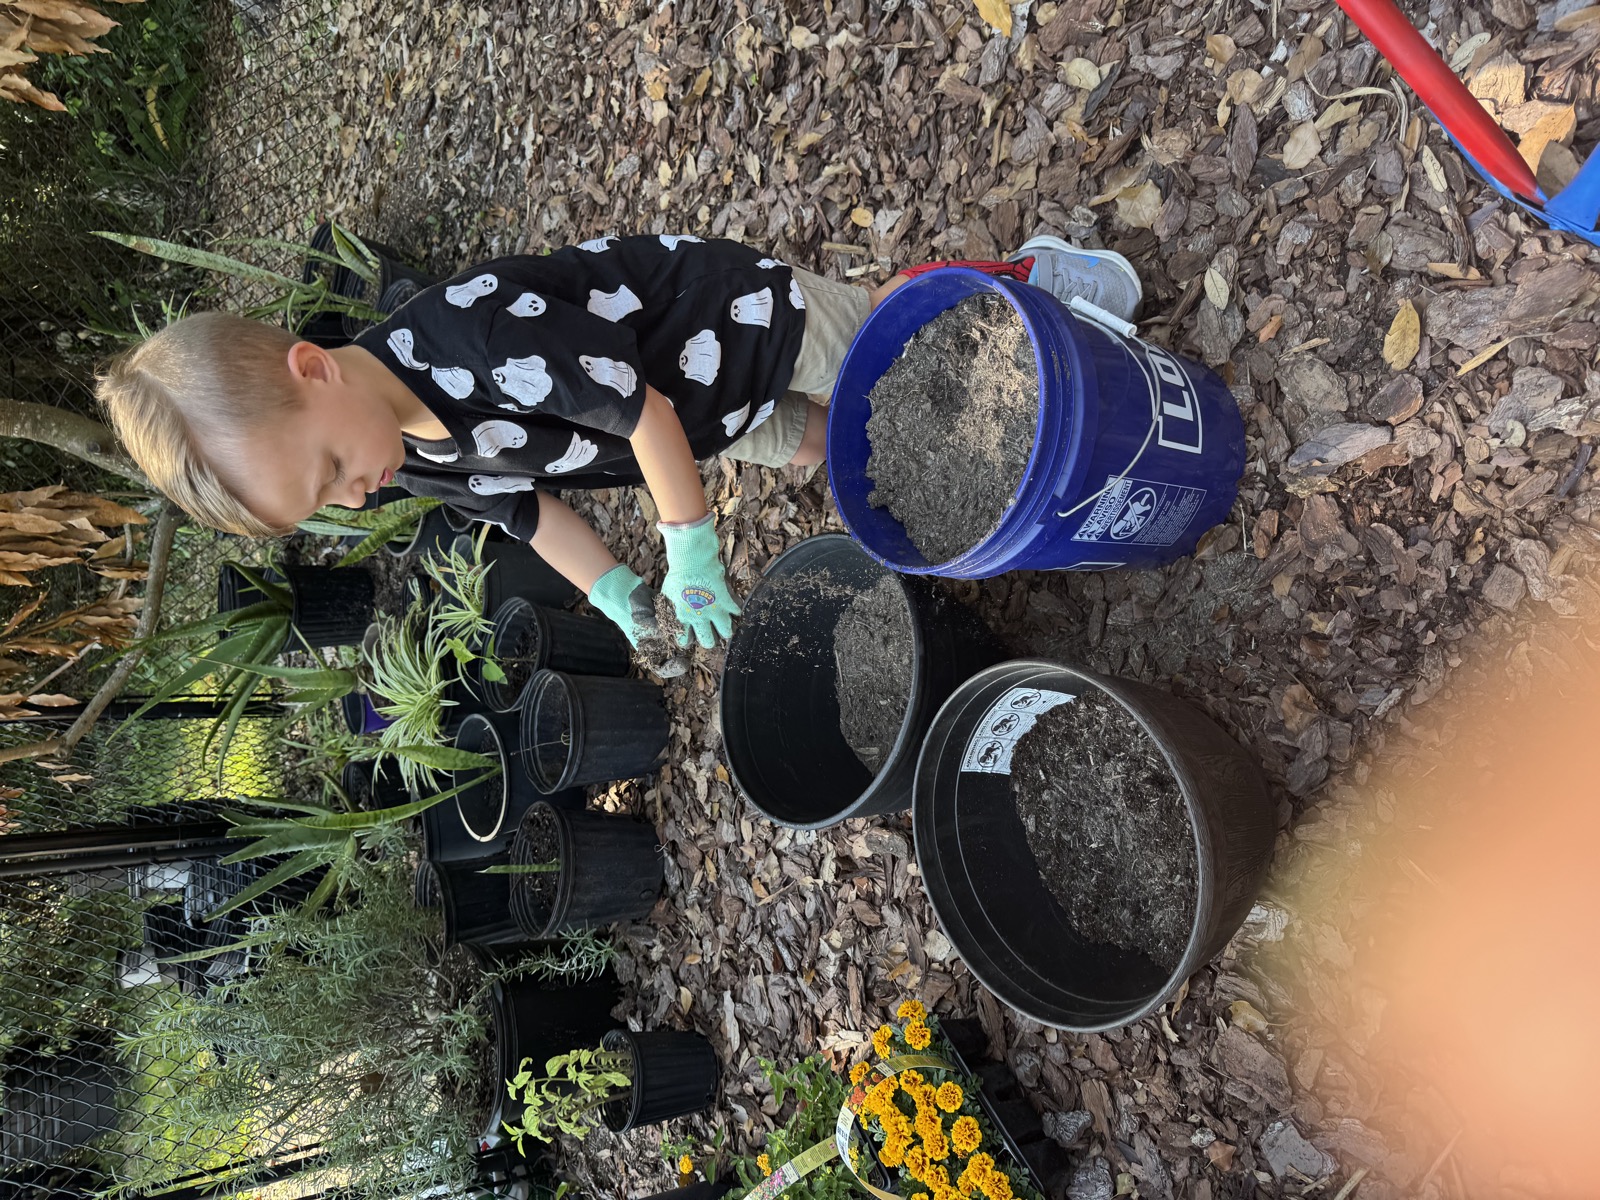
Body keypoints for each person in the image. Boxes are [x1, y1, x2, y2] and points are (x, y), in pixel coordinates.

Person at [96, 233, 1141, 658]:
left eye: (326, 472)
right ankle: (1007, 439)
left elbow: (635, 414)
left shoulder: (472, 342)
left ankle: (1027, 286)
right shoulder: (396, 452)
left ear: (314, 369)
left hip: (733, 329)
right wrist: (618, 597)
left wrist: (688, 548)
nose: (352, 499)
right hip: (704, 423)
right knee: (838, 447)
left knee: (907, 365)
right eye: (320, 508)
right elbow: (529, 511)